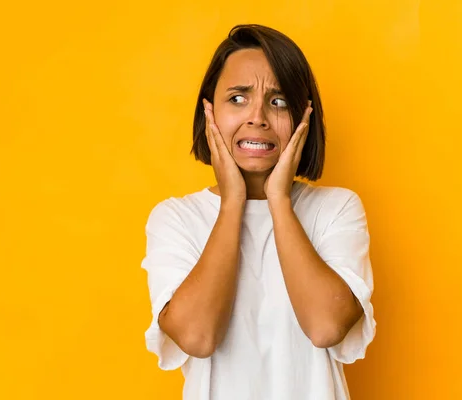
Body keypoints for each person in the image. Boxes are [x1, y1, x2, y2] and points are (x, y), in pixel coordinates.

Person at [141, 24, 376, 400]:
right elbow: (198, 337)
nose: (258, 117)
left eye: (279, 101)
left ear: (304, 117)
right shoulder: (176, 219)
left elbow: (325, 326)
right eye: (237, 98)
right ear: (209, 112)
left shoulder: (336, 209)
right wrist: (233, 202)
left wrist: (278, 200)